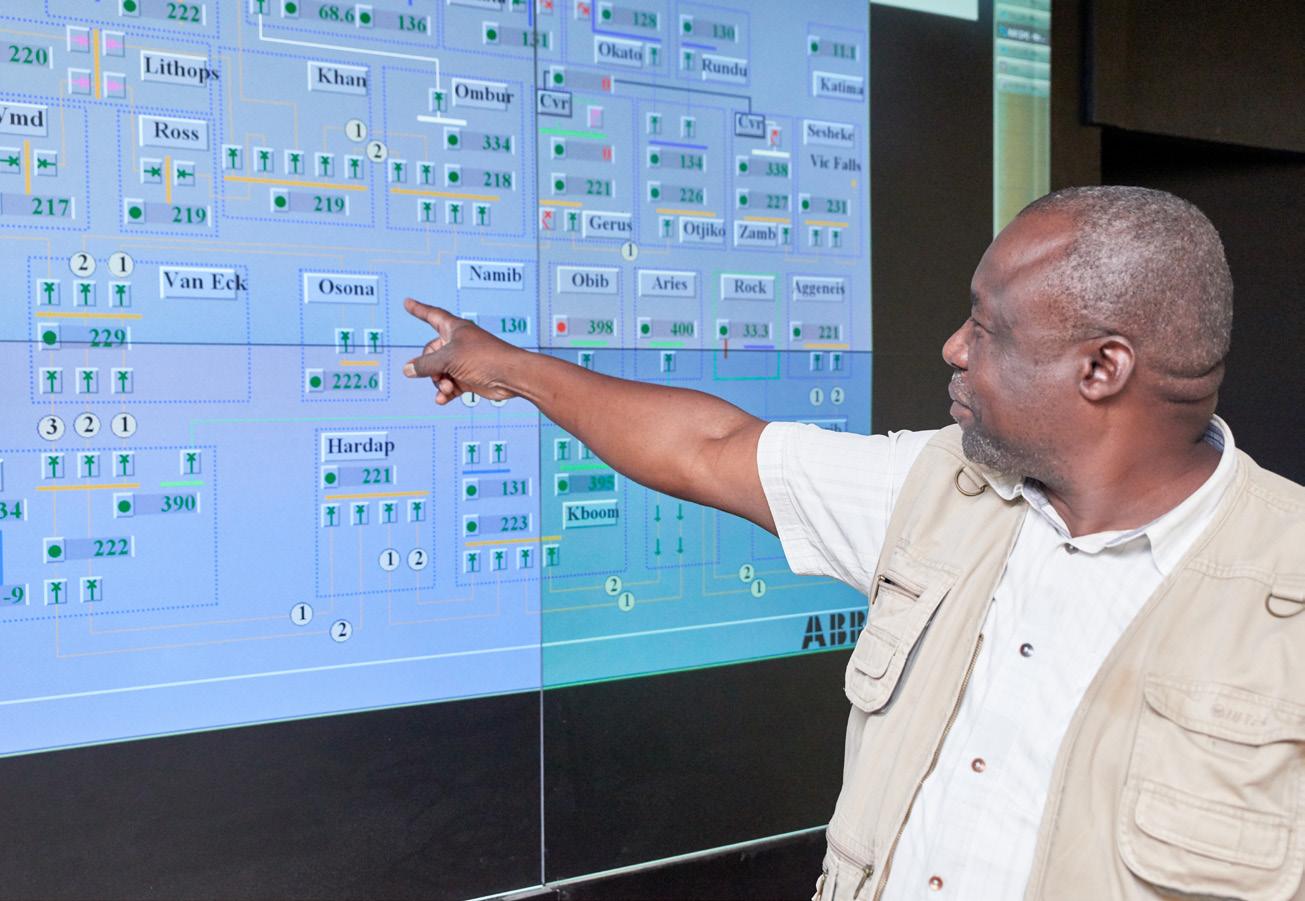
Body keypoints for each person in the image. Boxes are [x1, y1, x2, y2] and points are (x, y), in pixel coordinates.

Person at [402, 186, 1305, 900]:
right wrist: (505, 366)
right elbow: (705, 448)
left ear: (1100, 367)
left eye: (987, 327)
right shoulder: (934, 490)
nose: (953, 348)